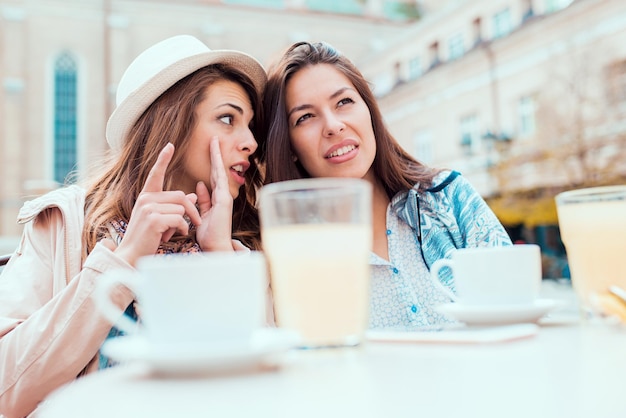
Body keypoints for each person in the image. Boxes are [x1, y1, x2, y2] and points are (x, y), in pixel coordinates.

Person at [0, 34, 267, 418]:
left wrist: (220, 256)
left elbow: (267, 392)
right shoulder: (64, 222)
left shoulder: (246, 241)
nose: (251, 142)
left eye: (251, 125)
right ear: (171, 122)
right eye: (228, 119)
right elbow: (7, 386)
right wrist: (123, 260)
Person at [262, 41, 512, 331]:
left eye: (343, 102)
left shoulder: (449, 197)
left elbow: (513, 308)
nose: (333, 125)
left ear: (369, 110)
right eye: (305, 117)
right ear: (289, 144)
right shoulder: (288, 250)